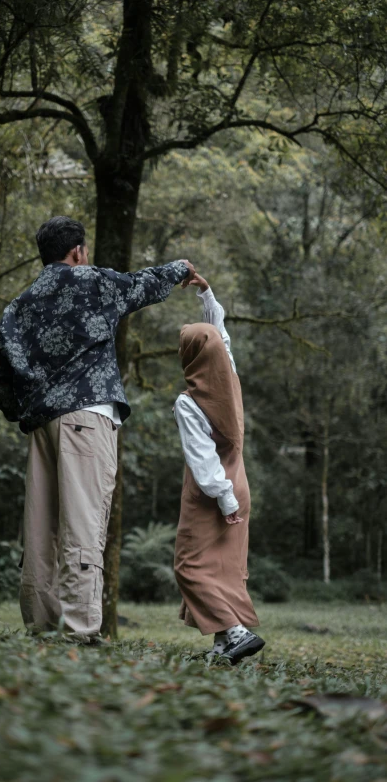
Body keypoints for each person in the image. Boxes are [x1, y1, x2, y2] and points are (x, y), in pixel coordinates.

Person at [0, 216, 196, 641]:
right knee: (82, 523)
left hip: (42, 424)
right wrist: (181, 268)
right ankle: (79, 631)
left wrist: (23, 412)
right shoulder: (92, 282)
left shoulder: (19, 305)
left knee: (40, 528)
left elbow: (0, 375)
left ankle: (44, 626)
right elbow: (143, 284)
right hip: (87, 418)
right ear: (78, 252)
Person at [173, 272, 265, 664]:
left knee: (189, 566)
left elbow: (202, 458)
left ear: (191, 359)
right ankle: (222, 646)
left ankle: (237, 633)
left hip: (212, 491)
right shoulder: (230, 375)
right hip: (239, 482)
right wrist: (206, 293)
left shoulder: (189, 402)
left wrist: (224, 500)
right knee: (225, 568)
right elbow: (219, 334)